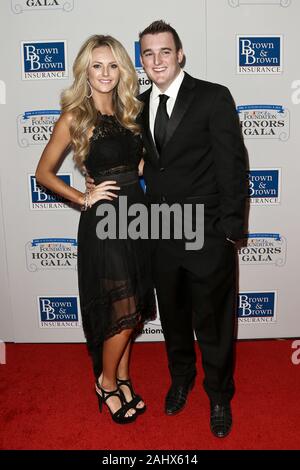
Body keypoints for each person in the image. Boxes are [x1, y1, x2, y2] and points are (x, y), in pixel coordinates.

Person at [87, 21, 247, 437]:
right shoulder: (133, 106)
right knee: (174, 319)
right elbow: (123, 161)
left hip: (206, 232)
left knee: (212, 321)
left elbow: (233, 165)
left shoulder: (213, 97)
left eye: (164, 52)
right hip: (156, 232)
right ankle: (181, 381)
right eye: (148, 54)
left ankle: (218, 395)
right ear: (141, 61)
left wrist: (230, 230)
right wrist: (91, 183)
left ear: (180, 55)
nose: (156, 60)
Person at [35, 35, 156, 425]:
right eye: (97, 65)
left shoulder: (131, 112)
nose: (105, 73)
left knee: (134, 306)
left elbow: (139, 167)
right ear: (86, 71)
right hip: (105, 222)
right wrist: (83, 198)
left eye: (112, 65)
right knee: (122, 307)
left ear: (122, 69)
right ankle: (105, 383)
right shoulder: (75, 117)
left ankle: (123, 377)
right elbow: (43, 173)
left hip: (137, 216)